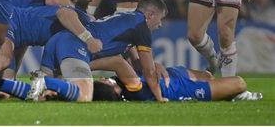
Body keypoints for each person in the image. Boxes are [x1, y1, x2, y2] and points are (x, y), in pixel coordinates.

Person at [30, 0, 168, 102]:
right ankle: (44, 81)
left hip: (58, 40)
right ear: (150, 15)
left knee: (44, 96)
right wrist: (159, 98)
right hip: (75, 46)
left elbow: (136, 65)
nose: (160, 24)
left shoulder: (128, 19)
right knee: (84, 96)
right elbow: (148, 71)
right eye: (160, 19)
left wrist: (154, 66)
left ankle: (41, 81)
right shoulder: (141, 27)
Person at [92, 67, 262, 102]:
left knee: (207, 75)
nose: (104, 79)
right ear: (113, 90)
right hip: (178, 89)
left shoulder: (121, 84)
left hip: (172, 74)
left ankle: (228, 94)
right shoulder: (131, 89)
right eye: (106, 82)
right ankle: (233, 96)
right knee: (239, 84)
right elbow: (118, 61)